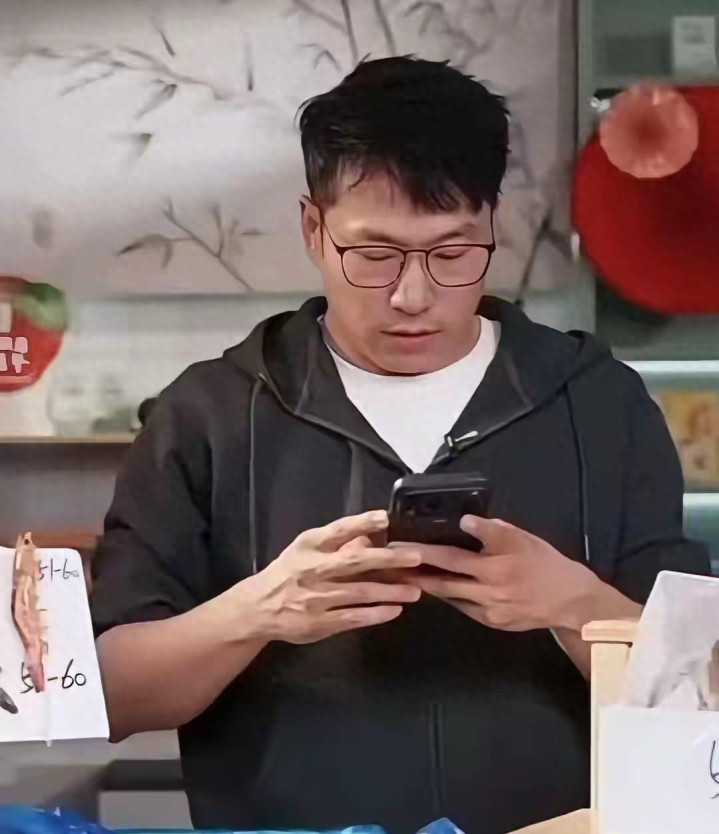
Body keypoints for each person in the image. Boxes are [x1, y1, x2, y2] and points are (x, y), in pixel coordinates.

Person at [91, 57, 709, 834]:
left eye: (451, 254)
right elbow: (107, 698)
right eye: (374, 255)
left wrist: (573, 605)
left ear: (493, 226)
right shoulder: (209, 414)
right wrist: (256, 612)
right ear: (313, 229)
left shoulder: (597, 403)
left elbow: (699, 691)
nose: (412, 296)